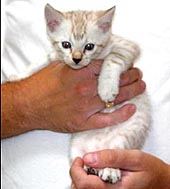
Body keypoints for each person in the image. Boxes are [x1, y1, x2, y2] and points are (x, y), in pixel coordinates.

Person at [1, 0, 170, 189]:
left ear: (106, 28)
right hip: (69, 151)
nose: (76, 56)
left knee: (132, 122)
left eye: (88, 48)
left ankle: (107, 166)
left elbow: (132, 49)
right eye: (67, 45)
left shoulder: (106, 40)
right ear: (51, 26)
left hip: (126, 126)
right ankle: (93, 168)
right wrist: (20, 91)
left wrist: (164, 180)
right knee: (78, 151)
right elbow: (49, 58)